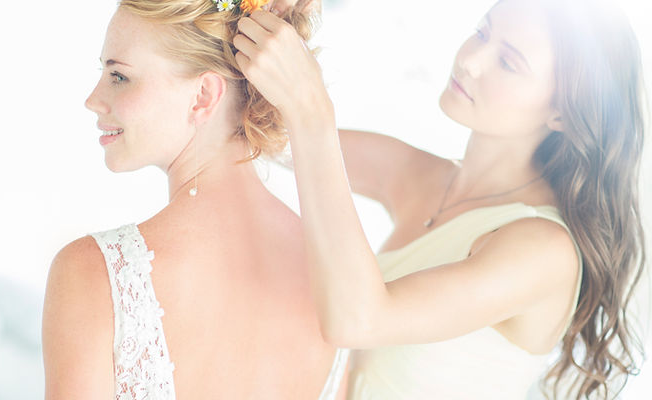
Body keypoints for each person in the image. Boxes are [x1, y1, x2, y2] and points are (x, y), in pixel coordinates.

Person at [234, 0, 647, 398]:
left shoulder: (545, 249)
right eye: (482, 32)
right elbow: (269, 138)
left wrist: (311, 106)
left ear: (561, 113)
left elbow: (356, 319)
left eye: (508, 62)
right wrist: (260, 26)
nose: (470, 59)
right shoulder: (420, 174)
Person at [41, 1, 349, 399]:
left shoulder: (94, 273)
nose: (93, 99)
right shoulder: (339, 278)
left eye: (119, 76)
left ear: (203, 95)